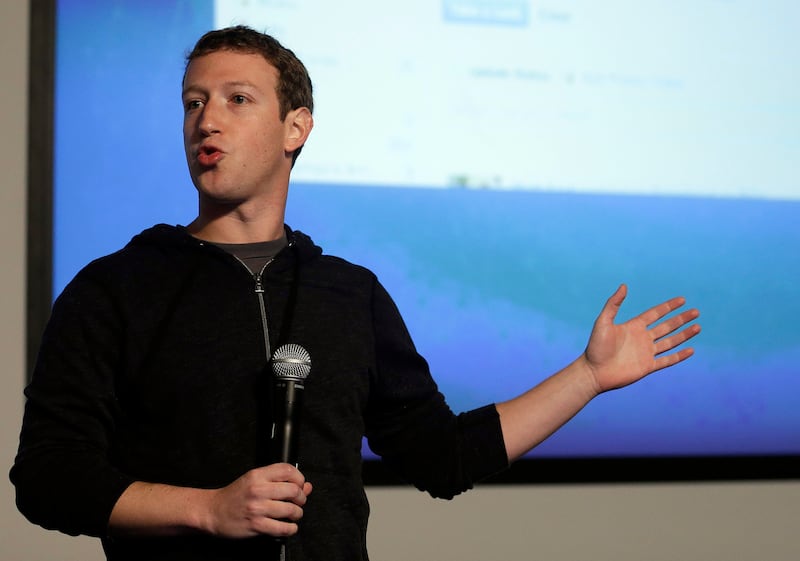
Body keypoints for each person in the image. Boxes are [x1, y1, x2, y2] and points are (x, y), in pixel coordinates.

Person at [10, 26, 701, 561]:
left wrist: (587, 376)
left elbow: (443, 456)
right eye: (194, 103)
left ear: (296, 128)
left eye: (236, 99)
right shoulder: (116, 289)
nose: (206, 121)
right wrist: (209, 508)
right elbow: (47, 477)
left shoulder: (348, 293)